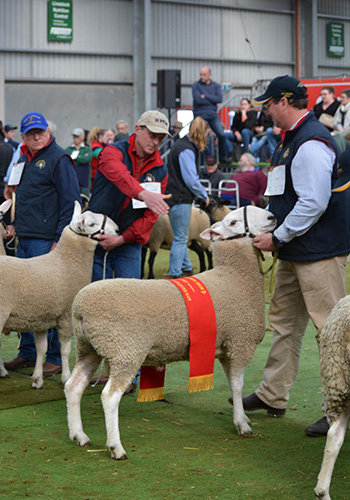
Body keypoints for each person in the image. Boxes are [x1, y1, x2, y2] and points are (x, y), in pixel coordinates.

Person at [233, 75, 350, 437]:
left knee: (333, 333)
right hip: (295, 250)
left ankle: (342, 409)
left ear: (284, 102)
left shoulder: (311, 142)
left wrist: (277, 236)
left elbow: (314, 201)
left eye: (268, 104)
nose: (265, 110)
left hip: (316, 251)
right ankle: (273, 394)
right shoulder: (292, 141)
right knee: (284, 324)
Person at [88, 110, 171, 387]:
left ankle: (126, 374)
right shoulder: (112, 151)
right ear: (137, 129)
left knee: (130, 311)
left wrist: (123, 238)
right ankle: (92, 367)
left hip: (127, 244)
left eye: (161, 137)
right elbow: (118, 175)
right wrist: (143, 193)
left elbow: (150, 217)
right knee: (94, 307)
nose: (156, 141)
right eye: (152, 134)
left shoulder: (160, 168)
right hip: (97, 239)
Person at [4, 112, 80, 375]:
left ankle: (56, 358)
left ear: (48, 132)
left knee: (51, 300)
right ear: (23, 136)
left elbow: (71, 202)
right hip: (25, 237)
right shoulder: (24, 157)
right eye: (31, 133)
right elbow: (24, 197)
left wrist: (60, 239)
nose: (37, 136)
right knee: (24, 300)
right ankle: (27, 352)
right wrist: (15, 225)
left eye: (41, 131)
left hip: (46, 241)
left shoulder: (59, 159)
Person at [165, 116, 210, 279]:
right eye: (206, 134)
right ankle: (175, 275)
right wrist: (204, 195)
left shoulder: (179, 145)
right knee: (180, 238)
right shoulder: (187, 149)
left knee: (180, 236)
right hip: (180, 198)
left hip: (173, 197)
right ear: (202, 132)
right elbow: (190, 178)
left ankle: (187, 268)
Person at [192, 66, 228, 163]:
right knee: (205, 138)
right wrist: (212, 99)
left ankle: (222, 157)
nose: (202, 77)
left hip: (212, 115)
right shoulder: (195, 85)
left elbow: (219, 99)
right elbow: (198, 100)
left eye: (204, 75)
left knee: (222, 134)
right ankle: (209, 157)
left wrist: (205, 96)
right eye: (201, 75)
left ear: (210, 75)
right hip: (200, 115)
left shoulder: (216, 86)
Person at [65, 128, 93, 196]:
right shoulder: (68, 149)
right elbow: (66, 161)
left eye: (77, 136)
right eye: (74, 136)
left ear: (82, 138)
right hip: (72, 180)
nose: (75, 138)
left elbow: (88, 159)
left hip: (84, 180)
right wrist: (81, 158)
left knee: (85, 200)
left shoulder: (87, 149)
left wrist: (75, 158)